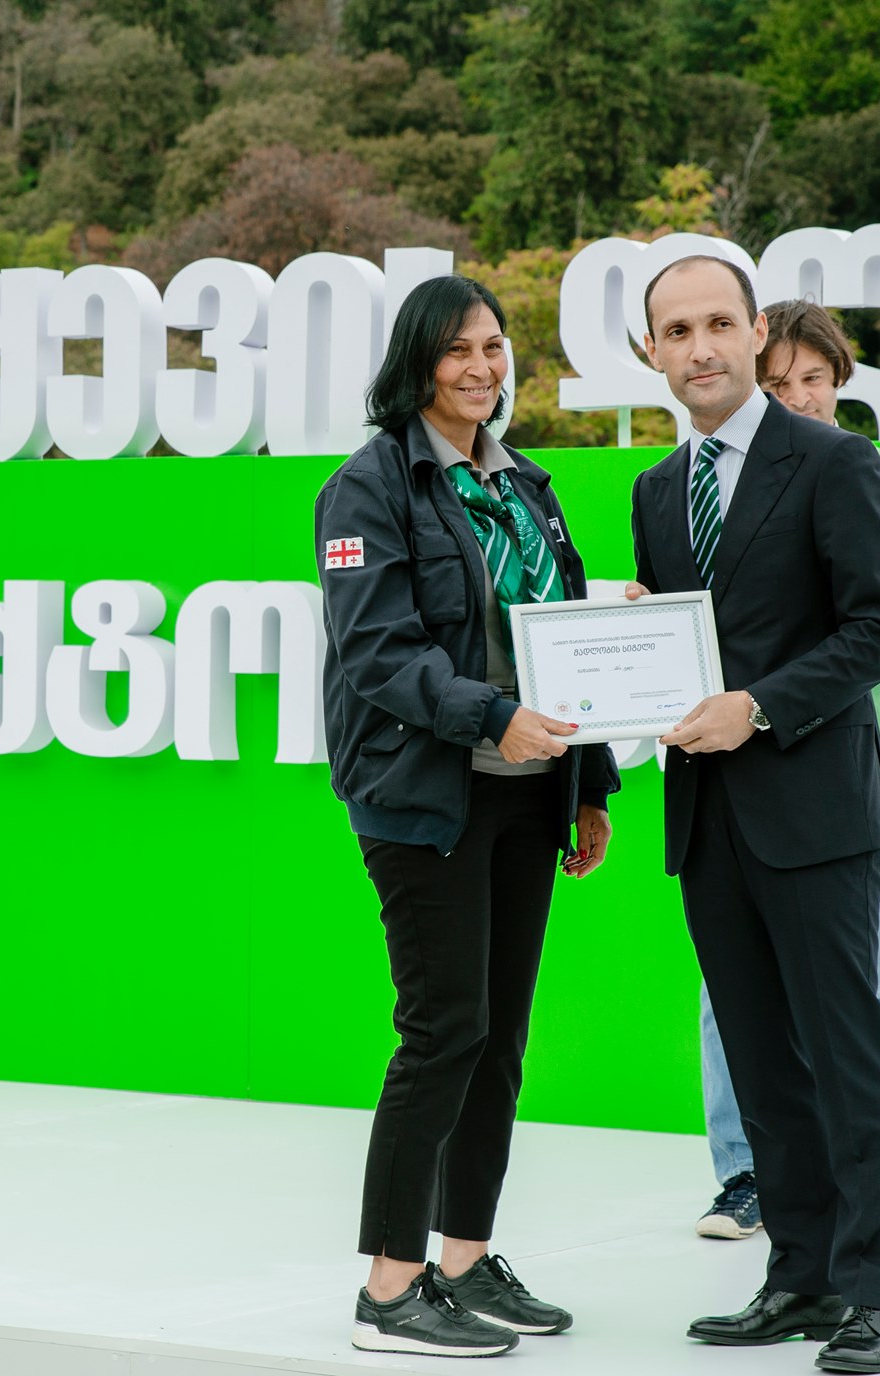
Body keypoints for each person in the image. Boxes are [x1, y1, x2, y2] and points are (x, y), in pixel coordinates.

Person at [314, 274, 621, 1359]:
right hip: (422, 794)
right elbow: (379, 652)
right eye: (458, 349)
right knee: (444, 1029)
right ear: (416, 362)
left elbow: (556, 636)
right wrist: (493, 716)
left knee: (497, 1038)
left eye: (494, 346)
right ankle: (388, 1290)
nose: (482, 367)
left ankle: (462, 1259)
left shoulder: (524, 483)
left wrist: (589, 782)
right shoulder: (368, 488)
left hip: (528, 790)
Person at [625, 256, 880, 1374]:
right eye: (675, 330)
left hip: (816, 808)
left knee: (849, 1055)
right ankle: (801, 1273)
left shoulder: (834, 461)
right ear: (652, 351)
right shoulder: (658, 490)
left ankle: (878, 1294)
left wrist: (755, 706)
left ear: (754, 333)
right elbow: (695, 638)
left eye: (716, 323)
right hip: (707, 819)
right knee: (759, 1059)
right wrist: (643, 641)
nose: (698, 347)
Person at [693, 299, 880, 1249]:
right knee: (734, 987)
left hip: (858, 758)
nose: (799, 397)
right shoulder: (711, 483)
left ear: (841, 380)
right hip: (740, 766)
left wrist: (844, 659)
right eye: (779, 383)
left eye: (813, 379)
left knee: (870, 979)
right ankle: (746, 1175)